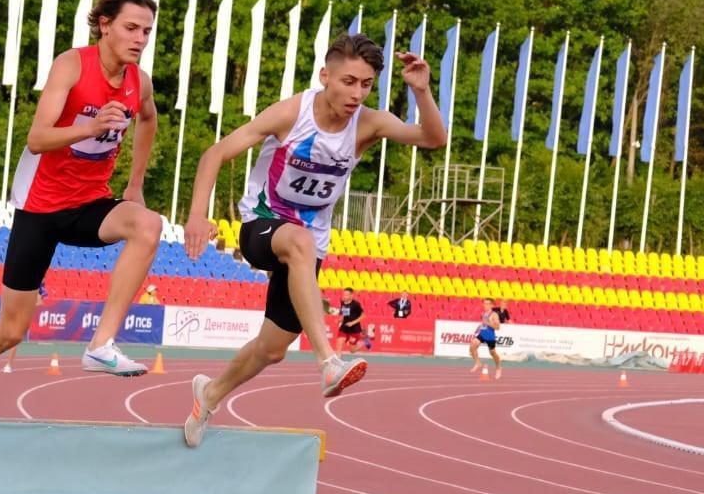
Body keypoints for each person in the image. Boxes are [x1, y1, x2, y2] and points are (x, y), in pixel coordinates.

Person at [179, 33, 447, 447]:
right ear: (325, 76)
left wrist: (422, 91)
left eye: (366, 85)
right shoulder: (292, 113)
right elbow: (215, 153)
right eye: (348, 81)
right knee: (300, 240)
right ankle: (328, 361)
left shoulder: (368, 124)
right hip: (263, 225)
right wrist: (198, 214)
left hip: (307, 246)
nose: (356, 94)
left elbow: (433, 139)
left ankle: (209, 394)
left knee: (272, 349)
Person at [0, 0, 163, 444]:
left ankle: (101, 344)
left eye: (146, 31)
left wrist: (136, 183)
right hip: (39, 207)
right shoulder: (72, 65)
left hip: (89, 203)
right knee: (11, 331)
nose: (140, 39)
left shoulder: (139, 82)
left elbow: (149, 119)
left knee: (148, 225)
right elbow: (37, 138)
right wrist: (91, 126)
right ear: (105, 25)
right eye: (131, 28)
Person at [470, 302, 503, 378]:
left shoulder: (494, 315)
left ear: (491, 305)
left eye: (487, 304)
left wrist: (488, 323)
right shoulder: (483, 313)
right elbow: (483, 324)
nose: (485, 305)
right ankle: (478, 363)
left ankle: (498, 368)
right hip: (482, 334)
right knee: (472, 346)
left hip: (490, 336)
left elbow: (498, 327)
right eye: (484, 304)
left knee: (493, 353)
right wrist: (476, 332)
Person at [334, 286, 365, 353]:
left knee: (352, 351)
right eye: (344, 294)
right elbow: (344, 314)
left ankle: (364, 343)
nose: (344, 296)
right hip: (344, 328)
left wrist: (352, 323)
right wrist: (340, 319)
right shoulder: (342, 302)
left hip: (354, 330)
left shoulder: (356, 304)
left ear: (351, 295)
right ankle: (337, 359)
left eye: (346, 295)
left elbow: (363, 316)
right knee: (338, 347)